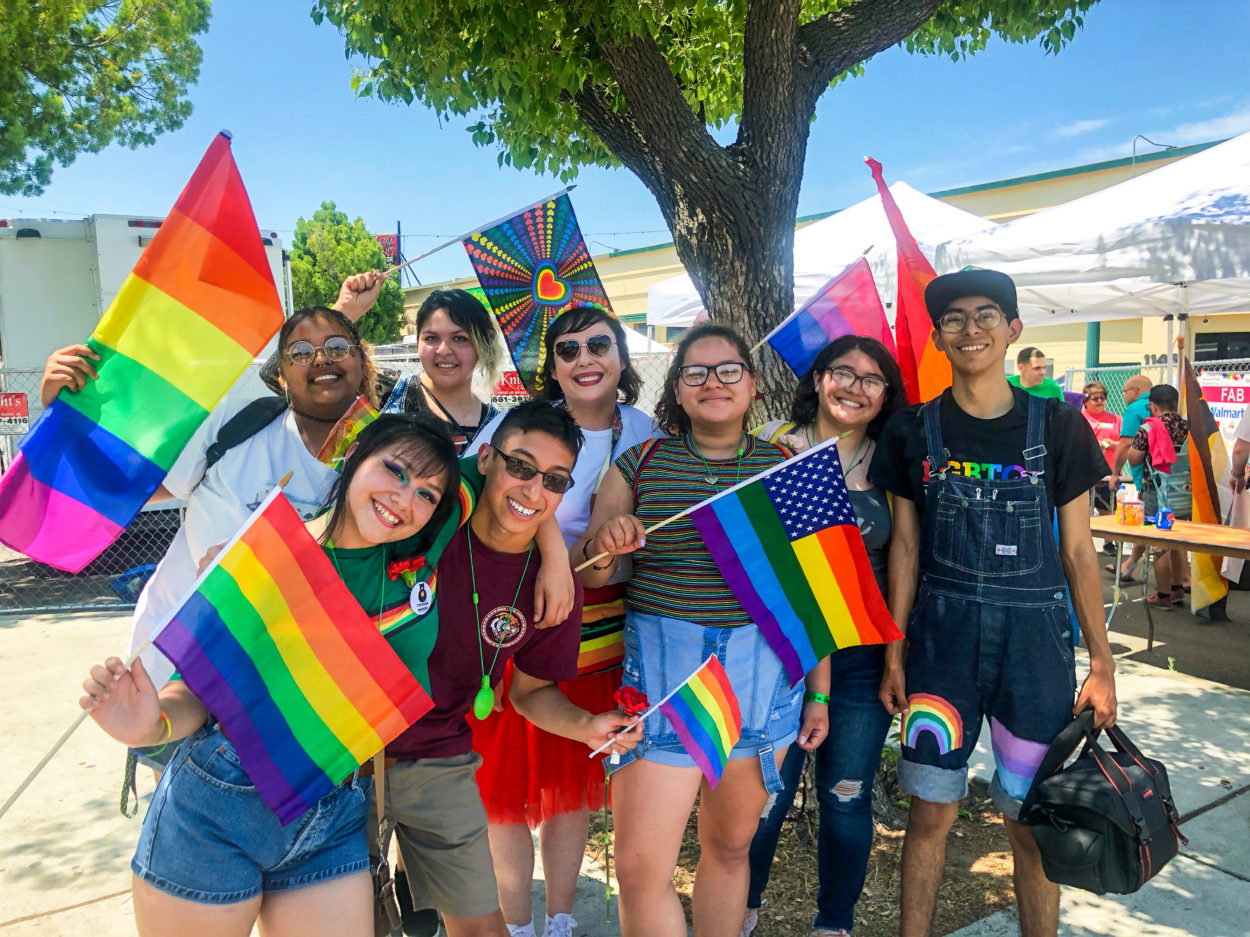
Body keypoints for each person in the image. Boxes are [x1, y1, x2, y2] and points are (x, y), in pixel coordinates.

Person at [78, 414, 464, 937]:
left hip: (335, 806)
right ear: (353, 460)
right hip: (221, 802)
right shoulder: (263, 552)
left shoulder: (416, 558)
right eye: (395, 471)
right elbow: (196, 691)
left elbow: (513, 478)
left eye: (426, 494)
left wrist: (554, 553)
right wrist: (153, 726)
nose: (405, 498)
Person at [871, 269, 1118, 937]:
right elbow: (904, 549)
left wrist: (1102, 663)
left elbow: (1077, 553)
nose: (970, 327)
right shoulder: (910, 431)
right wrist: (895, 652)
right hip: (940, 648)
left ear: (1013, 330)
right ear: (938, 336)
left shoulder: (1061, 427)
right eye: (954, 317)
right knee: (929, 813)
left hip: (1034, 653)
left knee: (1029, 820)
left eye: (987, 314)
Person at [576, 324, 811, 937]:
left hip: (762, 683)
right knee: (638, 867)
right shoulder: (639, 462)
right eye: (696, 372)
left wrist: (823, 692)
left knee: (730, 850)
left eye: (729, 369)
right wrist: (608, 542)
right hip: (663, 681)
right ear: (676, 390)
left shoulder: (784, 467)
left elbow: (812, 594)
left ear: (753, 386)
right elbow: (597, 574)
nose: (713, 382)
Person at [379, 400, 641, 937]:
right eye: (519, 466)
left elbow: (532, 692)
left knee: (482, 924)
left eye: (553, 480)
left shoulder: (553, 587)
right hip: (357, 744)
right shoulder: (428, 518)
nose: (531, 489)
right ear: (487, 460)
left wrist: (588, 727)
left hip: (435, 757)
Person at [468, 304, 661, 937]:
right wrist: (554, 553)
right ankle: (516, 923)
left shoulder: (645, 429)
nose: (585, 360)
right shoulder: (517, 424)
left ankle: (559, 921)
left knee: (570, 775)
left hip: (602, 620)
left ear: (623, 356)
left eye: (598, 345)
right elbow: (486, 488)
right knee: (502, 783)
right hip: (514, 609)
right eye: (568, 350)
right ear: (552, 366)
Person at [744, 335, 908, 937]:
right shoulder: (769, 444)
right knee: (764, 800)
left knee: (845, 799)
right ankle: (742, 908)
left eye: (872, 379)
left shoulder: (892, 461)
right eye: (843, 372)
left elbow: (905, 561)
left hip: (862, 661)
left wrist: (895, 658)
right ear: (818, 379)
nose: (855, 387)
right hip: (778, 656)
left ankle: (833, 924)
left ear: (885, 396)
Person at [258, 277, 503, 454]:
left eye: (459, 338)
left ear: (483, 346)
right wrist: (344, 312)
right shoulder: (384, 392)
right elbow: (273, 375)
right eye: (431, 338)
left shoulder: (497, 429)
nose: (443, 350)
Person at [1126, 384, 1191, 609]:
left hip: (1158, 492)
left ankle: (1163, 595)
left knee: (1159, 543)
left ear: (1153, 406)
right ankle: (1178, 588)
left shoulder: (1149, 428)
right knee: (1177, 541)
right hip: (1184, 492)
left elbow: (1134, 459)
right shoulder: (1189, 427)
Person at [1108, 374, 1156, 579]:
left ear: (1135, 391)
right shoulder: (1165, 405)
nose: (1124, 395)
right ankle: (1181, 579)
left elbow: (1126, 443)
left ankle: (1129, 566)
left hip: (1147, 474)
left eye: (1124, 391)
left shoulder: (1134, 409)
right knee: (1170, 525)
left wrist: (1116, 472)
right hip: (1171, 476)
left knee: (1146, 524)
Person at [1080, 380, 1121, 515]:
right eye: (1095, 398)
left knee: (1107, 512)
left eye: (1102, 398)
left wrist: (1113, 444)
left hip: (1107, 472)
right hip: (1084, 472)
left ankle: (1109, 537)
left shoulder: (1116, 419)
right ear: (1085, 401)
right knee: (1083, 513)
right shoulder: (1078, 417)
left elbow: (1127, 444)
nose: (1099, 401)